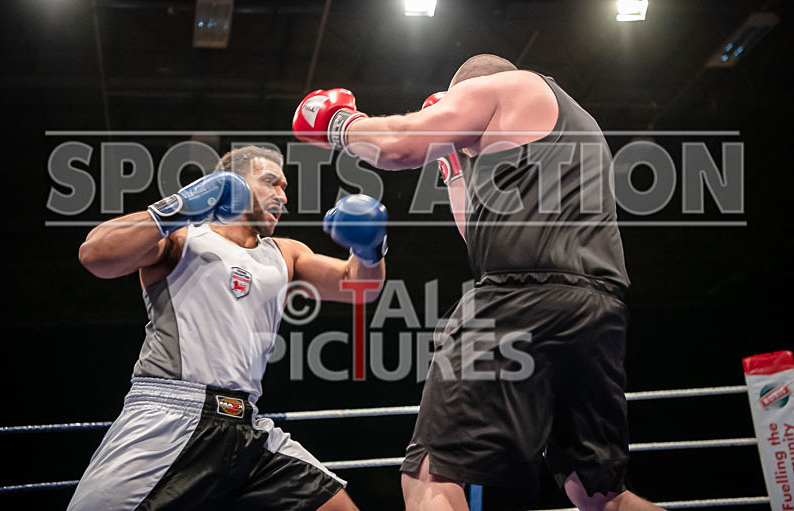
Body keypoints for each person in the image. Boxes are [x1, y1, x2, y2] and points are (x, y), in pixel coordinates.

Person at [292, 55, 663, 511]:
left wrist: (338, 124)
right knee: (598, 494)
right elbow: (480, 234)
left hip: (518, 301)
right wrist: (453, 165)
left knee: (431, 475)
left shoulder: (502, 87)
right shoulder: (572, 123)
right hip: (597, 312)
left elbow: (398, 146)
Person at [70, 145, 387, 510]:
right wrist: (180, 205)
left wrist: (371, 248)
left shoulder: (285, 253)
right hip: (169, 415)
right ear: (233, 183)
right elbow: (95, 256)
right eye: (271, 183)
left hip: (247, 426)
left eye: (286, 187)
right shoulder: (183, 238)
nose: (283, 196)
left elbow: (359, 287)